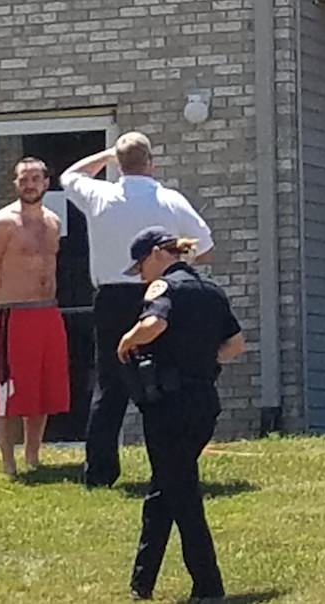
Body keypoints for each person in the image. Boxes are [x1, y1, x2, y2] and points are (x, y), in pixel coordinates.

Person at [60, 134, 213, 489]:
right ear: (151, 162)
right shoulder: (170, 201)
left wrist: (107, 155)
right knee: (165, 378)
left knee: (110, 385)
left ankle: (99, 473)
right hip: (160, 294)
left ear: (119, 163)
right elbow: (205, 250)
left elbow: (69, 175)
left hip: (112, 298)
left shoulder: (101, 195)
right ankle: (171, 463)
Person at [115, 227, 244, 603]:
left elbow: (155, 324)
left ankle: (209, 586)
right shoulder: (211, 291)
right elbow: (236, 344)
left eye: (141, 265)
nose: (141, 275)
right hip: (204, 401)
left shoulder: (164, 289)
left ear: (158, 254)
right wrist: (201, 360)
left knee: (182, 494)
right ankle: (142, 582)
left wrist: (128, 339)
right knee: (166, 487)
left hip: (169, 405)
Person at [0, 155, 69, 476]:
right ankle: (8, 463)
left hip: (48, 312)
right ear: (16, 184)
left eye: (35, 178)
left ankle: (33, 456)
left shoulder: (54, 221)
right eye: (23, 179)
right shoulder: (3, 222)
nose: (30, 185)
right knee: (8, 390)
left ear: (46, 182)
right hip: (14, 314)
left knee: (41, 388)